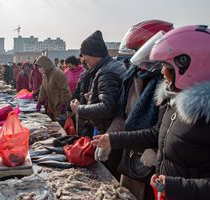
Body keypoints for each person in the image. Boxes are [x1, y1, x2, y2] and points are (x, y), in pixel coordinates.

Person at [93, 25, 210, 200]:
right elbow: (155, 133)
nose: (162, 71)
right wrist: (113, 139)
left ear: (187, 66)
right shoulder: (174, 100)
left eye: (165, 66)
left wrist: (174, 186)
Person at [107, 20, 174, 200]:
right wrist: (111, 136)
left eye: (140, 50)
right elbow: (124, 112)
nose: (138, 56)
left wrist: (155, 149)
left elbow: (167, 127)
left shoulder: (170, 83)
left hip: (156, 163)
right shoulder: (133, 75)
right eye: (136, 52)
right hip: (130, 151)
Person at [70, 30, 127, 179]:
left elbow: (107, 107)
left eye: (85, 55)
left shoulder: (106, 72)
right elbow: (113, 98)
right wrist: (92, 98)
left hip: (112, 131)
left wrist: (80, 109)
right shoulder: (112, 66)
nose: (84, 59)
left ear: (94, 53)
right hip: (117, 130)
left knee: (109, 175)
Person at [35, 55, 71, 122]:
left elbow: (64, 89)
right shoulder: (45, 75)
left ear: (45, 65)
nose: (39, 69)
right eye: (38, 67)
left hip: (59, 105)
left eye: (40, 67)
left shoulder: (57, 73)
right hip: (51, 105)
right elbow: (43, 88)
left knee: (61, 125)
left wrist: (63, 104)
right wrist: (40, 100)